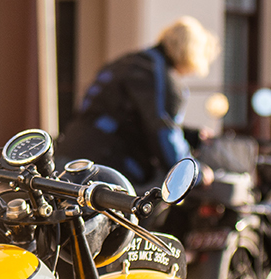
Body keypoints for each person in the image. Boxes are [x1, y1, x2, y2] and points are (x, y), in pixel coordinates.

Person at [57, 17, 220, 187]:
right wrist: (194, 173)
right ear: (192, 53)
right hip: (104, 170)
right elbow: (164, 137)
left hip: (70, 156)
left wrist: (190, 135)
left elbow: (125, 117)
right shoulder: (162, 79)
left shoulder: (128, 62)